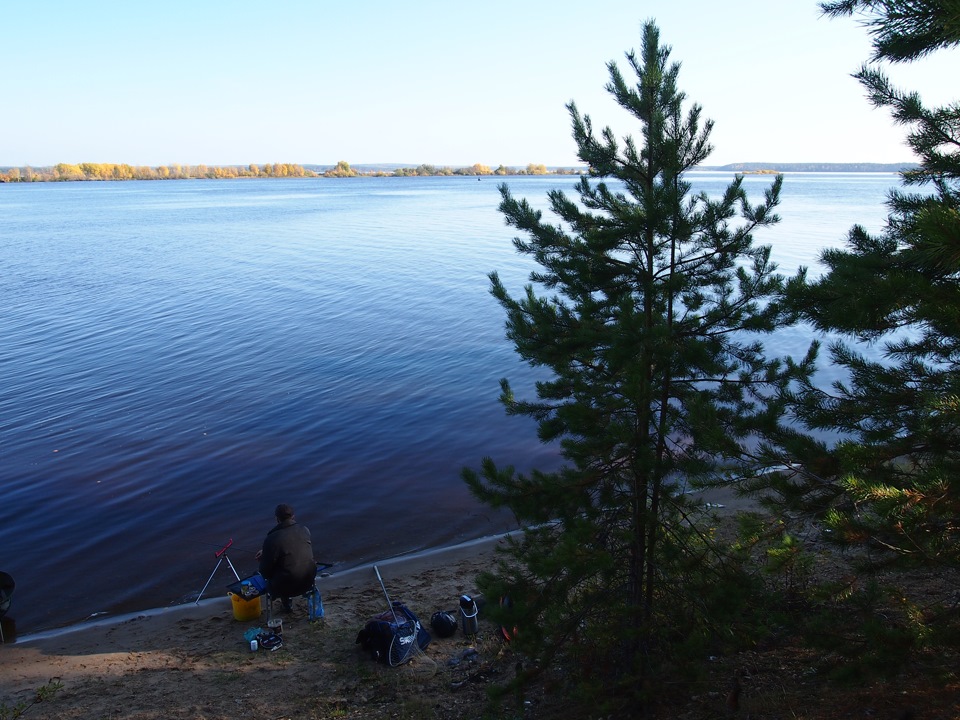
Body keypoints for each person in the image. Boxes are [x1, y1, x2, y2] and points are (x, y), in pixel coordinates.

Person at [256, 503, 316, 612]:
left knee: (278, 572)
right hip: (309, 581)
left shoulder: (272, 538)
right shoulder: (305, 530)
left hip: (285, 588)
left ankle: (287, 605)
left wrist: (265, 556)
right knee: (291, 564)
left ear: (276, 519)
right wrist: (266, 551)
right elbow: (292, 547)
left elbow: (264, 571)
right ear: (293, 517)